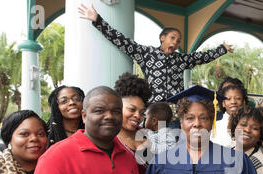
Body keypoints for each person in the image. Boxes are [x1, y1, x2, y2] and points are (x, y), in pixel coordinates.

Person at [78, 3, 234, 103]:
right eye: (172, 38)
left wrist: (222, 49)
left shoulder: (181, 59)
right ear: (162, 38)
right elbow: (121, 41)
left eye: (178, 40)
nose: (175, 42)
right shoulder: (146, 53)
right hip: (154, 106)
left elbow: (201, 57)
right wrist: (97, 20)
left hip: (177, 107)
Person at [114, 72, 152, 174]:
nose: (137, 116)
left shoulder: (148, 136)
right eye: (132, 109)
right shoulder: (108, 139)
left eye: (141, 112)